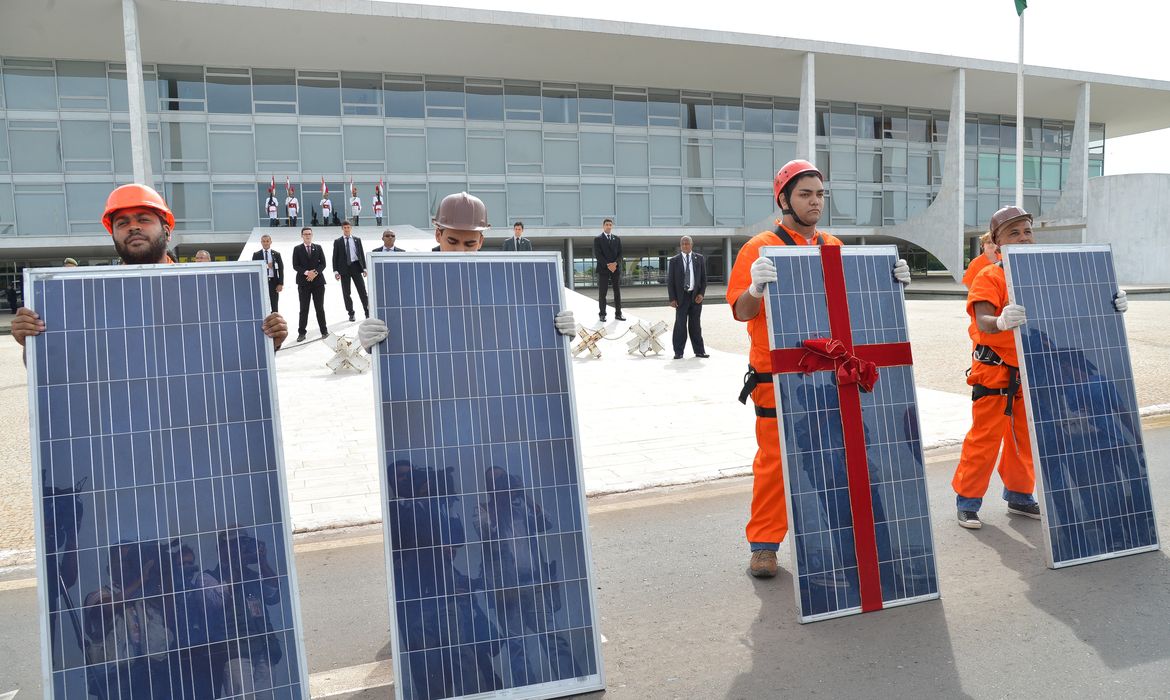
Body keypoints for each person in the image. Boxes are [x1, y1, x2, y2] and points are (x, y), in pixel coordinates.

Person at [726, 160, 910, 578]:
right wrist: (756, 286)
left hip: (830, 374)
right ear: (784, 199)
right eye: (806, 194)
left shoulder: (834, 245)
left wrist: (891, 284)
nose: (815, 201)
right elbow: (741, 310)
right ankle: (764, 545)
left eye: (820, 194)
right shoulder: (759, 247)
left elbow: (857, 307)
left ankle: (855, 540)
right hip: (777, 376)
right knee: (776, 462)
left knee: (843, 456)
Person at [951, 205, 1128, 529]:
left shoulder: (1045, 276)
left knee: (1027, 438)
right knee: (985, 440)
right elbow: (983, 321)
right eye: (1013, 233)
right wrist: (1001, 320)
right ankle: (967, 501)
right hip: (996, 373)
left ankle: (1019, 495)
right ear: (998, 241)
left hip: (1035, 372)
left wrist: (1110, 302)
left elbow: (1075, 306)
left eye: (1027, 231)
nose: (1023, 238)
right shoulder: (990, 276)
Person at [11, 184, 288, 353]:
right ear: (114, 235)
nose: (133, 226)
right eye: (122, 223)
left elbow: (231, 361)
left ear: (167, 231)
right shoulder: (87, 299)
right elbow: (67, 369)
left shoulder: (207, 291)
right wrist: (32, 344)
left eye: (144, 219)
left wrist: (268, 342)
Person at [358, 192, 577, 350]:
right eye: (452, 241)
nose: (459, 251)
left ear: (481, 240)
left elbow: (517, 335)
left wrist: (554, 332)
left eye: (469, 244)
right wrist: (374, 344)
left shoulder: (502, 283)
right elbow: (407, 342)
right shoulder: (409, 282)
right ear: (437, 235)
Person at [667, 235, 708, 360]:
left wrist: (701, 294)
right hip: (681, 298)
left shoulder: (699, 258)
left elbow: (703, 279)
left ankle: (699, 351)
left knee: (695, 325)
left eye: (687, 243)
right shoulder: (674, 260)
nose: (685, 246)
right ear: (680, 246)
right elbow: (670, 282)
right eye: (683, 244)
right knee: (680, 325)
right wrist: (672, 299)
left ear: (692, 245)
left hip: (695, 297)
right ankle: (678, 352)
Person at [292, 226, 328, 343]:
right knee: (304, 309)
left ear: (312, 235)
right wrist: (308, 273)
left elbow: (323, 263)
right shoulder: (297, 249)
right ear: (302, 236)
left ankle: (324, 331)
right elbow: (295, 265)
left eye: (309, 234)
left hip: (318, 283)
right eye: (305, 234)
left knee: (320, 308)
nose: (307, 236)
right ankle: (301, 333)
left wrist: (315, 273)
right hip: (303, 283)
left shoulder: (318, 248)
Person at [332, 219, 369, 321]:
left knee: (362, 291)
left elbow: (361, 253)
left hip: (356, 267)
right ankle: (351, 313)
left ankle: (367, 312)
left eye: (348, 227)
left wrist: (364, 268)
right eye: (345, 228)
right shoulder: (338, 241)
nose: (347, 229)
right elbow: (335, 257)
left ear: (351, 228)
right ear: (342, 229)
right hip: (344, 269)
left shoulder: (357, 240)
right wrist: (336, 271)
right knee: (346, 292)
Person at [593, 218, 624, 322]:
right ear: (603, 226)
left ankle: (618, 314)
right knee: (603, 293)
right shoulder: (598, 239)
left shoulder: (617, 239)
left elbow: (620, 254)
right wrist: (607, 264)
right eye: (607, 224)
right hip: (603, 269)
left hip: (615, 268)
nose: (608, 226)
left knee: (617, 292)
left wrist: (615, 263)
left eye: (610, 225)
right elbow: (598, 255)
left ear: (612, 226)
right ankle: (602, 314)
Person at [252, 234, 284, 312]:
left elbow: (281, 269)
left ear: (270, 242)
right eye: (263, 241)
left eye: (267, 241)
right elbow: (254, 269)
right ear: (261, 242)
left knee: (274, 304)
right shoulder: (256, 255)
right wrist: (266, 266)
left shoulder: (276, 254)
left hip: (273, 282)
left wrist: (280, 284)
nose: (265, 243)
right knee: (262, 303)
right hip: (262, 282)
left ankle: (274, 322)